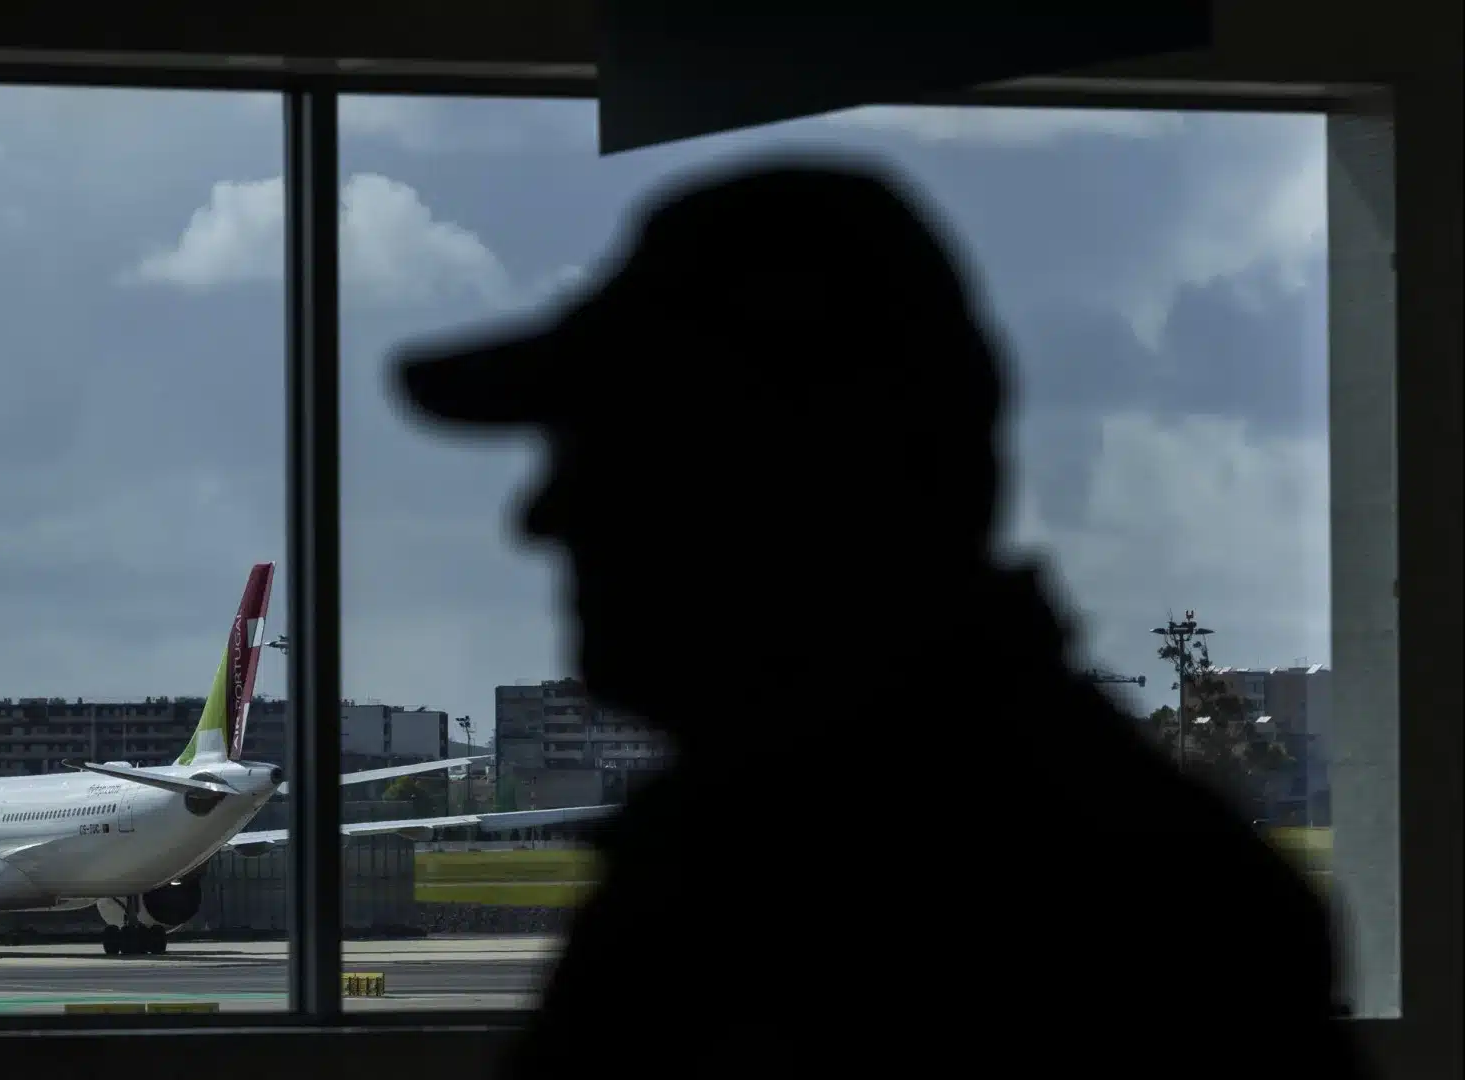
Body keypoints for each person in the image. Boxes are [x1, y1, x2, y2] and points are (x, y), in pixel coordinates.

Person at [390, 157, 1366, 1076]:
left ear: (816, 477)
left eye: (618, 450)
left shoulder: (810, 894)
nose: (540, 517)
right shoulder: (809, 848)